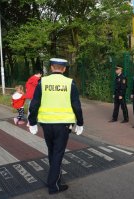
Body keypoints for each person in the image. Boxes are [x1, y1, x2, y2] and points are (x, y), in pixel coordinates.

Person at [28, 58, 84, 195]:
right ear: (64, 69)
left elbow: (34, 103)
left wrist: (32, 121)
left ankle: (54, 178)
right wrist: (80, 123)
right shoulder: (70, 83)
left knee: (52, 151)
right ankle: (53, 185)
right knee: (58, 153)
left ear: (52, 67)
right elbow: (76, 105)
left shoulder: (43, 82)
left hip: (46, 124)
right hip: (63, 125)